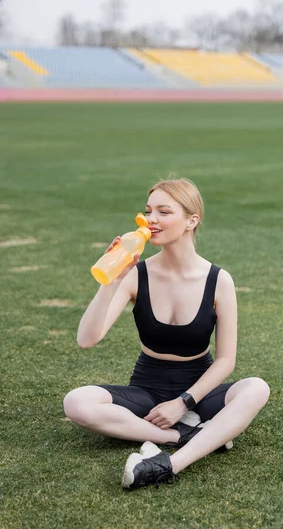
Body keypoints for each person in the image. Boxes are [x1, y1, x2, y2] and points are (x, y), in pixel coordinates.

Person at [63, 178, 270, 490]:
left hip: (199, 390)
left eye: (163, 212)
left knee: (256, 389)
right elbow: (86, 338)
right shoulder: (136, 274)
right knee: (76, 402)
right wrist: (112, 280)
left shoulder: (219, 280)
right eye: (148, 211)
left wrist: (184, 403)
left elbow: (226, 360)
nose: (151, 220)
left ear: (191, 220)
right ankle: (184, 435)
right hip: (148, 389)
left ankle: (169, 463)